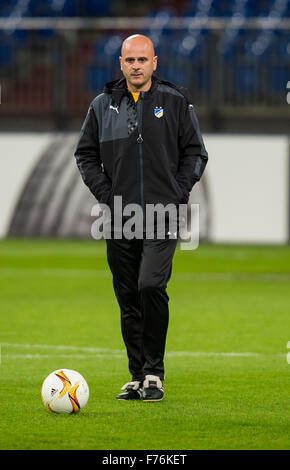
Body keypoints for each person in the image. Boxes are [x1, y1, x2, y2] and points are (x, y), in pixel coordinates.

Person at [74, 34, 208, 402]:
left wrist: (178, 193)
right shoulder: (102, 105)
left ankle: (155, 373)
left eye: (142, 60)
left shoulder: (176, 102)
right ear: (121, 64)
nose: (136, 66)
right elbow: (85, 155)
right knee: (128, 295)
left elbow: (196, 153)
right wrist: (106, 195)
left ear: (154, 62)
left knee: (151, 285)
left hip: (163, 214)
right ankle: (138, 376)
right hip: (119, 217)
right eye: (130, 60)